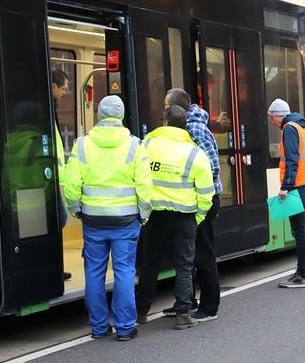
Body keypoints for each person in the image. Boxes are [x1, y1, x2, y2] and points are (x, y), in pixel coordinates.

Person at [64, 95, 152, 341]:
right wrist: (144, 214)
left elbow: (71, 184)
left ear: (99, 115)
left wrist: (76, 209)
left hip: (93, 220)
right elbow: (144, 185)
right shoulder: (135, 145)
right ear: (121, 115)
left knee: (93, 271)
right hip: (126, 220)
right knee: (124, 270)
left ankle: (99, 327)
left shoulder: (82, 145)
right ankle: (125, 327)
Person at [136, 105, 215, 330]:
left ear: (164, 122)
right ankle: (182, 314)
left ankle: (141, 312)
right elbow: (206, 191)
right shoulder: (195, 153)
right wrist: (197, 217)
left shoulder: (147, 145)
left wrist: (143, 210)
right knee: (184, 265)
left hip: (154, 216)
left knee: (149, 265)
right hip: (184, 218)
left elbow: (137, 178)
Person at [161, 88, 222, 322]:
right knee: (188, 253)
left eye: (166, 106)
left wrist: (204, 198)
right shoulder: (187, 126)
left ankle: (209, 307)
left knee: (203, 254)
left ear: (176, 108)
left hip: (202, 199)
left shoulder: (194, 128)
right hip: (190, 198)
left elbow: (211, 166)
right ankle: (187, 302)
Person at [267, 98, 305, 288]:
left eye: (272, 118)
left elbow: (292, 159)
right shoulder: (301, 126)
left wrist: (286, 187)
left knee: (300, 232)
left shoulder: (289, 128)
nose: (272, 122)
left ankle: (302, 275)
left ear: (278, 115)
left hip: (297, 186)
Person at [51, 69, 71, 281]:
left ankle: (56, 264)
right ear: (53, 87)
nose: (65, 93)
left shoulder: (51, 106)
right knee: (59, 218)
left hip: (53, 174)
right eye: (63, 89)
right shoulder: (47, 107)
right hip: (50, 174)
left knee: (57, 219)